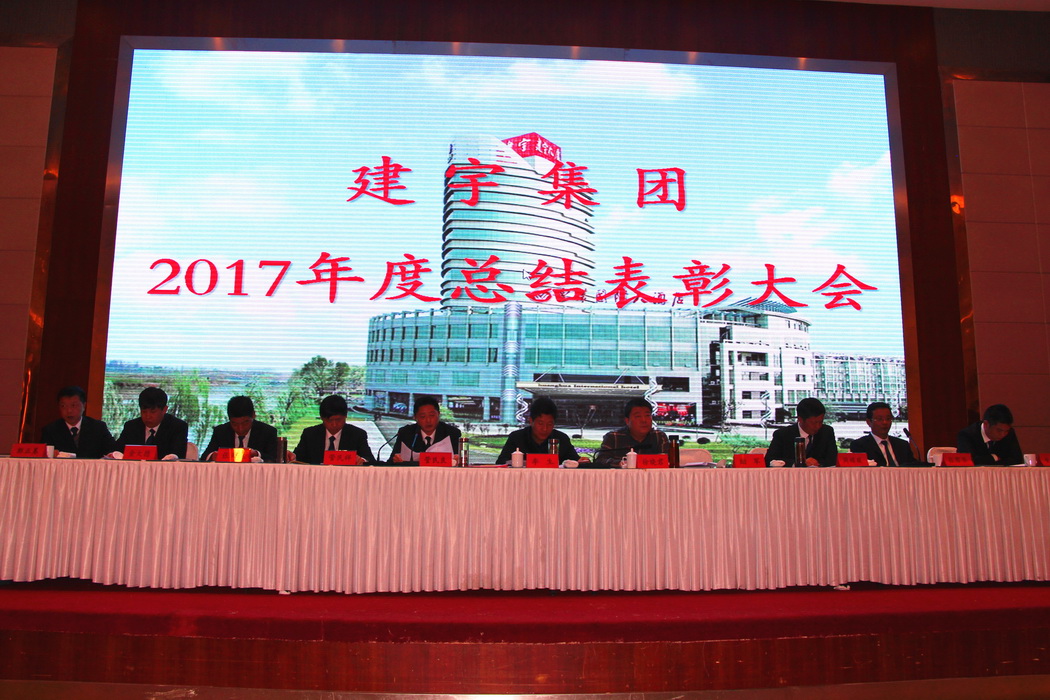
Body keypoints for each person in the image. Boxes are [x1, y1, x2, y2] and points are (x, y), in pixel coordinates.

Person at [494, 396, 589, 465]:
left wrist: (582, 462)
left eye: (549, 424)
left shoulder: (561, 439)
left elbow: (576, 461)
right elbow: (501, 463)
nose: (545, 428)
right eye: (540, 423)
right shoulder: (517, 437)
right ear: (531, 421)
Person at [292, 394, 375, 465]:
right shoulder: (310, 434)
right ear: (322, 418)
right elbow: (297, 458)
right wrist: (291, 456)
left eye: (338, 420)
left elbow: (369, 459)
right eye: (329, 420)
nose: (334, 424)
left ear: (345, 416)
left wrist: (362, 460)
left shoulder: (357, 434)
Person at [40, 385, 117, 459]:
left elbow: (112, 451)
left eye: (73, 405)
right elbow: (42, 456)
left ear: (84, 406)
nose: (69, 410)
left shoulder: (98, 427)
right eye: (63, 406)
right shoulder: (50, 430)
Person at [593, 398, 670, 468]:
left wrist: (638, 462)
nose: (644, 420)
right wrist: (622, 463)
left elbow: (667, 460)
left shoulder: (659, 436)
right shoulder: (613, 437)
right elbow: (601, 460)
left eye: (647, 415)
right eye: (638, 416)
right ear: (627, 421)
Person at [115, 386, 189, 459]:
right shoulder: (131, 427)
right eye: (144, 411)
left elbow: (177, 455)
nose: (148, 416)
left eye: (153, 412)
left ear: (164, 409)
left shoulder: (177, 427)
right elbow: (117, 451)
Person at [202, 396, 280, 462]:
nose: (240, 428)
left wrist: (257, 454)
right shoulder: (221, 432)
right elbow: (204, 458)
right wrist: (212, 456)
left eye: (245, 423)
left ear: (253, 415)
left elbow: (274, 460)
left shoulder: (267, 432)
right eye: (234, 424)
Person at [387, 395, 461, 464]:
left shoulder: (452, 433)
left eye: (432, 415)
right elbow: (390, 463)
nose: (428, 420)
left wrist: (459, 461)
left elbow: (460, 461)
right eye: (423, 416)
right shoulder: (406, 433)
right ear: (415, 417)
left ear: (438, 414)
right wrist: (395, 460)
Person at [765, 397, 837, 467]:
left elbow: (833, 459)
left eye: (820, 422)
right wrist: (797, 463)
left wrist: (817, 463)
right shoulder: (782, 435)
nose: (818, 426)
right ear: (800, 419)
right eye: (814, 423)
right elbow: (769, 460)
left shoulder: (827, 432)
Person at [849, 401, 917, 466]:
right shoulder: (859, 445)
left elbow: (913, 466)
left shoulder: (902, 445)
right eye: (880, 419)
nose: (885, 422)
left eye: (888, 419)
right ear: (869, 422)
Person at [957, 403, 1023, 465]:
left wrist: (987, 460)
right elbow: (969, 462)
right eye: (999, 430)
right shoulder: (967, 435)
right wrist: (994, 457)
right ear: (986, 424)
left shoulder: (1009, 433)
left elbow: (1017, 460)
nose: (1003, 434)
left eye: (1006, 431)